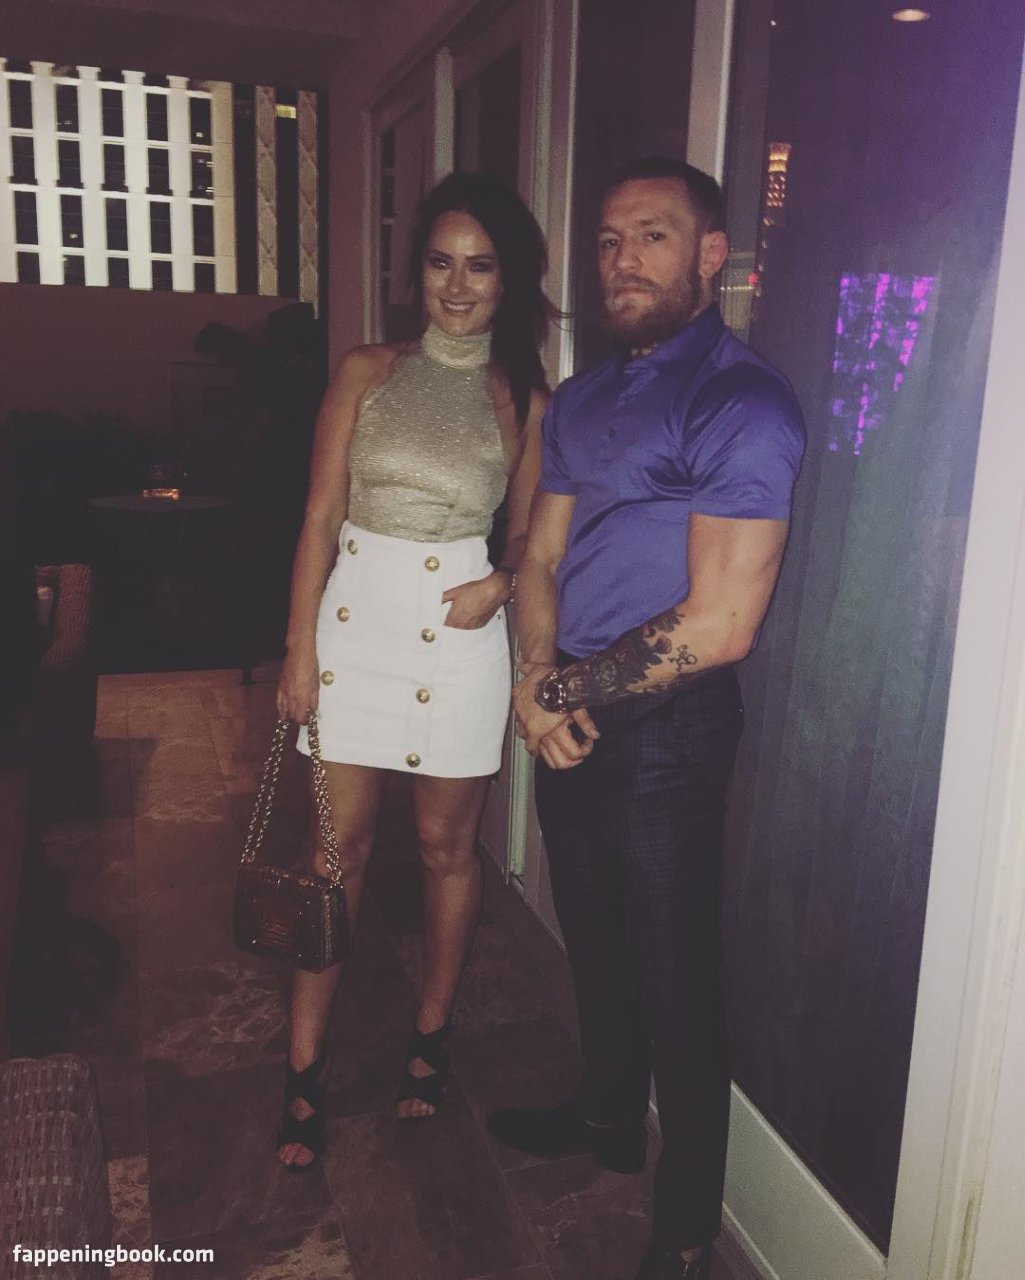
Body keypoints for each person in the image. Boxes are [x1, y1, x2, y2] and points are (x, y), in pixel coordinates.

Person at [486, 157, 805, 1280]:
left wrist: (559, 695)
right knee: (593, 935)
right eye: (609, 240)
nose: (621, 260)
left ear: (710, 255)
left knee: (676, 977)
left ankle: (681, 1229)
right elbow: (539, 555)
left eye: (652, 237)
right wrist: (536, 674)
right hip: (567, 698)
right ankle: (607, 1115)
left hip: (669, 724)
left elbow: (720, 624)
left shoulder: (740, 401)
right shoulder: (582, 399)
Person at [274, 171, 550, 1169]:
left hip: (456, 632)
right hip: (355, 630)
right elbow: (318, 517)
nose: (457, 285)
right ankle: (302, 1060)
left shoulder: (522, 397)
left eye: (479, 266)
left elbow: (529, 537)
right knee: (332, 854)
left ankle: (430, 1031)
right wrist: (299, 647)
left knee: (445, 849)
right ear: (417, 272)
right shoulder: (365, 369)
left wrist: (502, 582)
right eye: (440, 262)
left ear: (507, 281)